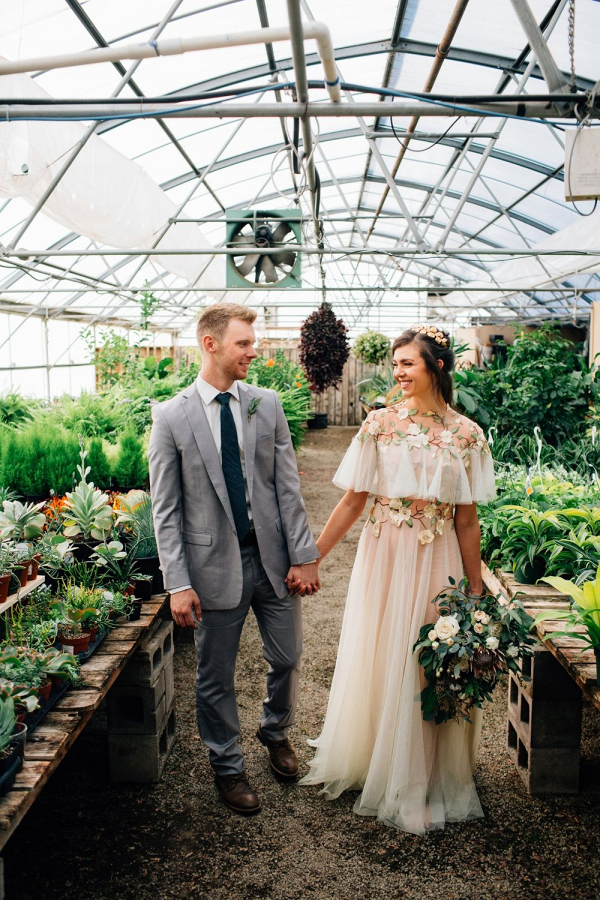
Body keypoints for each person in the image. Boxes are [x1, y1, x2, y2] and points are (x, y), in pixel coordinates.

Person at [300, 325, 496, 834]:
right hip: (384, 553)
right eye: (396, 362)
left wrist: (476, 590)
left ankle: (422, 778)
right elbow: (352, 500)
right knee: (383, 654)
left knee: (428, 665)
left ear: (438, 366)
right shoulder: (379, 425)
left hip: (439, 557)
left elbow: (468, 519)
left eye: (408, 362)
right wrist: (313, 557)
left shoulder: (467, 434)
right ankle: (377, 760)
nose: (398, 372)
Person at [148, 302, 320, 815]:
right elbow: (166, 508)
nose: (254, 350)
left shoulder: (265, 404)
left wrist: (304, 555)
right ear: (211, 344)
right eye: (244, 343)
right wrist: (177, 583)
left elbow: (286, 487)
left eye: (253, 341)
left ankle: (275, 731)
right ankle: (227, 766)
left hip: (273, 562)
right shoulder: (171, 416)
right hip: (211, 568)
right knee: (214, 676)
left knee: (287, 658)